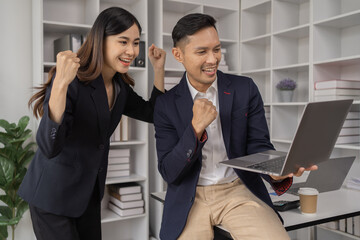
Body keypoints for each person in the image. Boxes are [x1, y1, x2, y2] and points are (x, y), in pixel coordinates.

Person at [153, 13, 317, 240]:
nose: (212, 59)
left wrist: (276, 173)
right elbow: (169, 171)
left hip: (238, 190)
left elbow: (259, 146)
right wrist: (195, 129)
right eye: (202, 52)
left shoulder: (244, 88)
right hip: (190, 197)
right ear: (178, 55)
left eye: (217, 49)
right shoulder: (165, 104)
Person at [18, 7, 165, 240]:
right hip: (52, 197)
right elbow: (49, 146)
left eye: (136, 43)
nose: (132, 51)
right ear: (101, 40)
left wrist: (158, 70)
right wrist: (60, 85)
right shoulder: (72, 80)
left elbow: (154, 113)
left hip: (87, 195)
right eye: (123, 41)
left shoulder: (119, 87)